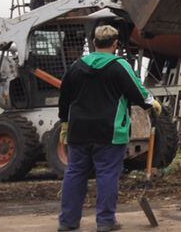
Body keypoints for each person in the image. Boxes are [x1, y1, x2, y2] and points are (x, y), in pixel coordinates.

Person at [57, 24, 159, 232]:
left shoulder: (76, 67)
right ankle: (105, 221)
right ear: (115, 44)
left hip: (78, 131)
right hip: (110, 133)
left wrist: (64, 123)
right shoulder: (119, 66)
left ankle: (68, 222)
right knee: (107, 174)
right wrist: (152, 104)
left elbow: (64, 99)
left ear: (93, 43)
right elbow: (138, 93)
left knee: (75, 172)